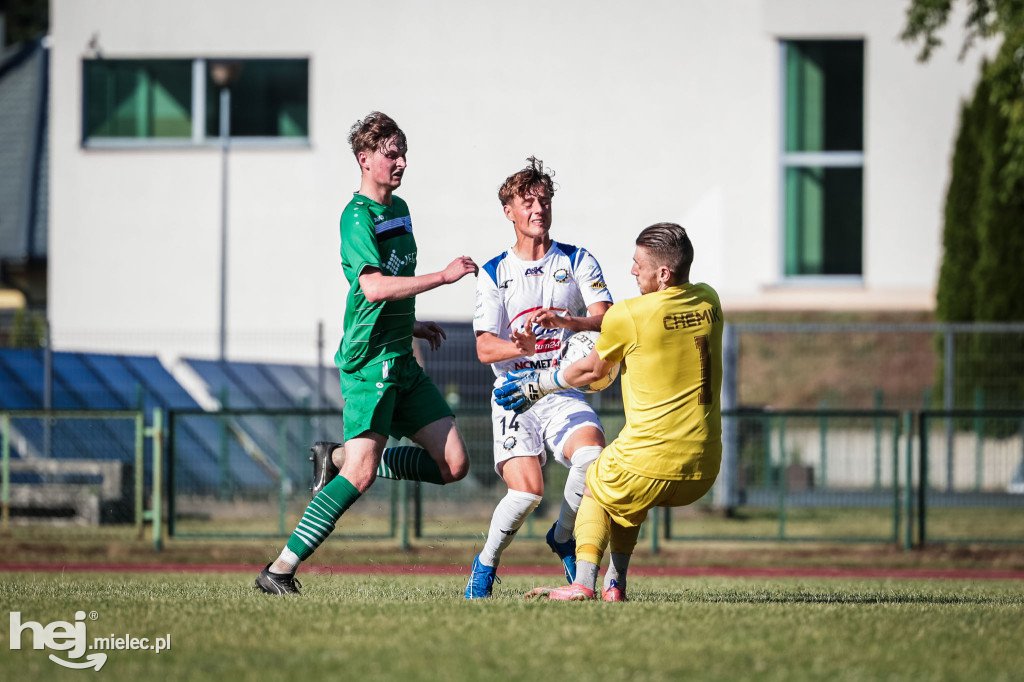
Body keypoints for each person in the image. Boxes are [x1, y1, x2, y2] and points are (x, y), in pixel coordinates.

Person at [255, 111, 478, 595]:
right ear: (365, 159)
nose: (400, 162)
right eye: (390, 154)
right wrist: (442, 277)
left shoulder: (401, 208)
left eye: (402, 153)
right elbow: (373, 288)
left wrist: (412, 325)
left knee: (454, 465)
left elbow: (384, 290)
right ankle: (279, 569)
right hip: (370, 361)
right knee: (360, 475)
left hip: (400, 355)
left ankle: (334, 457)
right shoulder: (356, 216)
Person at [495, 222, 723, 601]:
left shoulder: (629, 315)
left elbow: (591, 370)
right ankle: (614, 584)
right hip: (704, 469)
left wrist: (537, 385)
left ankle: (582, 583)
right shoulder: (708, 300)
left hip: (651, 459)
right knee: (627, 498)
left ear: (663, 274)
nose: (633, 270)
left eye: (639, 264)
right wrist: (576, 324)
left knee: (596, 479)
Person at [464, 157, 613, 599]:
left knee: (593, 458)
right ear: (508, 211)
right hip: (514, 395)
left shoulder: (578, 260)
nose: (538, 209)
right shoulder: (494, 273)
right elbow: (484, 347)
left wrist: (573, 323)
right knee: (527, 493)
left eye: (544, 200)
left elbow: (606, 318)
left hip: (561, 388)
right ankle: (486, 564)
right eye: (527, 202)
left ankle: (564, 535)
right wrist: (520, 348)